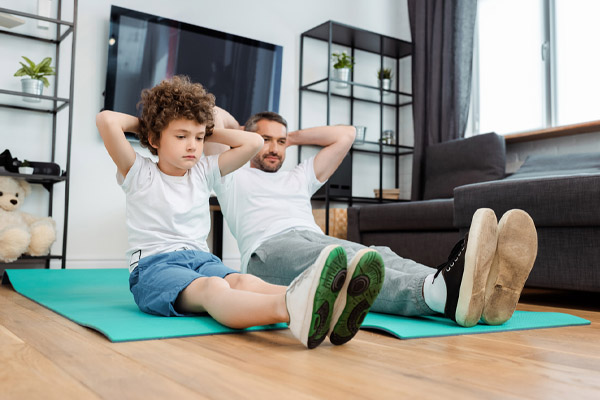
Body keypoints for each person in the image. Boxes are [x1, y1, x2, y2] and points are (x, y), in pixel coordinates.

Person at [95, 76, 385, 349]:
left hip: (202, 260)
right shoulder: (138, 171)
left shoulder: (203, 171)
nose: (193, 146)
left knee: (245, 281)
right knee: (212, 289)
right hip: (155, 268)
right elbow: (106, 119)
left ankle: (331, 306)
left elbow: (254, 142)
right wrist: (152, 125)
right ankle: (291, 308)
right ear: (155, 139)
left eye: (199, 138)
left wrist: (204, 128)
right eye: (181, 135)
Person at [210, 111, 538, 328]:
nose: (275, 149)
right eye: (266, 141)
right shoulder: (230, 172)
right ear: (248, 138)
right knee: (353, 263)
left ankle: (472, 290)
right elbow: (213, 118)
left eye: (281, 143)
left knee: (379, 254)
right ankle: (436, 294)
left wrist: (289, 137)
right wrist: (250, 135)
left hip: (314, 237)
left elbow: (346, 134)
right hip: (268, 251)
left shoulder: (298, 176)